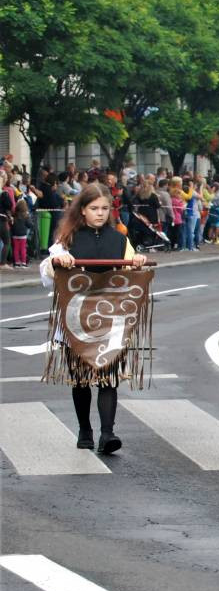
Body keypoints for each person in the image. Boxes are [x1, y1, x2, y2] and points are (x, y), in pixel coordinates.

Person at [40, 184, 148, 453]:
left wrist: (137, 261)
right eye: (94, 208)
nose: (100, 213)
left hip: (111, 316)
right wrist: (58, 261)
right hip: (76, 316)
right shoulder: (67, 239)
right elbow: (46, 271)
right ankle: (85, 429)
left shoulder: (119, 239)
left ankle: (107, 433)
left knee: (108, 377)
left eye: (104, 208)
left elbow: (131, 269)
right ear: (82, 210)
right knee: (80, 378)